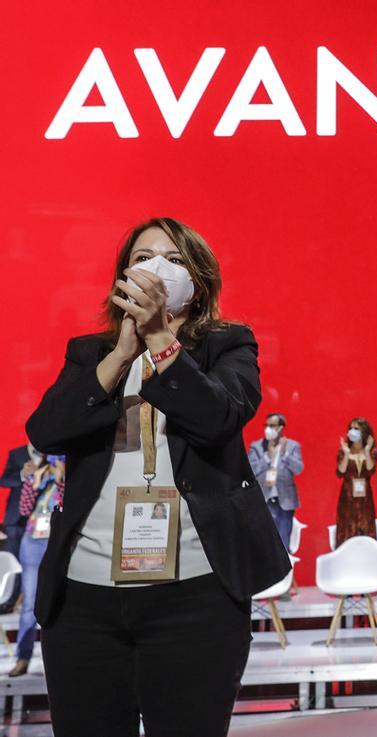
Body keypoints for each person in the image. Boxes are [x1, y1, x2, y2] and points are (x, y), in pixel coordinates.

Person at [25, 217, 290, 737]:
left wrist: (160, 340)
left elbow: (219, 417)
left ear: (199, 282)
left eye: (172, 260)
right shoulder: (89, 352)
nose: (155, 270)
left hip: (196, 592)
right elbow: (47, 431)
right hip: (85, 596)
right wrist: (124, 351)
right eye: (143, 258)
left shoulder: (229, 346)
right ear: (121, 279)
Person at [8, 454, 65, 677]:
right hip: (32, 541)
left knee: (60, 601)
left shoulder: (68, 473)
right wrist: (33, 480)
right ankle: (23, 657)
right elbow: (24, 509)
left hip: (57, 541)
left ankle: (60, 659)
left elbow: (68, 505)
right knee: (30, 603)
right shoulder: (37, 473)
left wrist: (61, 479)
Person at [248, 413, 305, 550]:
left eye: (272, 426)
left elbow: (298, 469)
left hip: (284, 501)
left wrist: (284, 454)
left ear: (280, 428)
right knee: (263, 542)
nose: (268, 429)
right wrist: (268, 456)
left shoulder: (292, 446)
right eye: (266, 425)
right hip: (263, 500)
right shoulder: (257, 446)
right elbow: (251, 469)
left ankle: (284, 571)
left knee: (283, 543)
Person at [0, 442, 40, 612]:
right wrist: (22, 474)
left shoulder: (53, 455)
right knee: (12, 563)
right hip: (15, 520)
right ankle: (8, 603)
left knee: (36, 567)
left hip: (40, 520)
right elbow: (4, 481)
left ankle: (32, 604)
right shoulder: (17, 454)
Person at [335, 417, 377, 546]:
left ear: (363, 431)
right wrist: (347, 454)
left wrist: (367, 451)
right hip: (347, 497)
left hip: (365, 498)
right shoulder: (343, 451)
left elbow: (370, 470)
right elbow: (340, 472)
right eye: (351, 428)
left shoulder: (371, 451)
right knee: (347, 526)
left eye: (356, 429)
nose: (352, 431)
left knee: (365, 524)